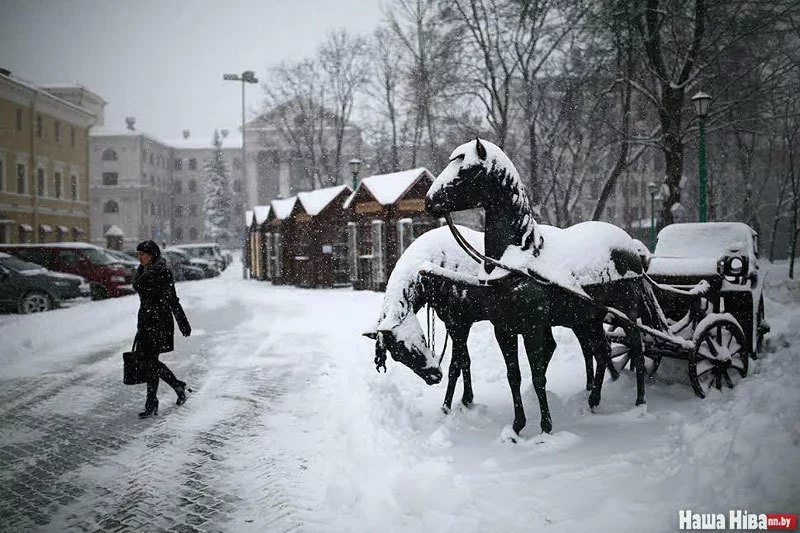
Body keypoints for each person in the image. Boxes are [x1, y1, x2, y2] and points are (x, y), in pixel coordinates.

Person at [132, 240, 192, 418]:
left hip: (159, 322)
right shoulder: (143, 270)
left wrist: (182, 322)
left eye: (142, 254)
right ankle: (174, 388)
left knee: (150, 362)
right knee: (150, 363)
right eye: (138, 254)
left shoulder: (162, 272)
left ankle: (153, 401)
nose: (139, 258)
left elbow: (172, 299)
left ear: (151, 255)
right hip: (145, 320)